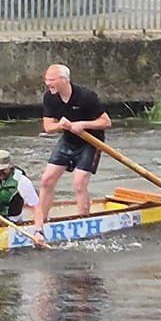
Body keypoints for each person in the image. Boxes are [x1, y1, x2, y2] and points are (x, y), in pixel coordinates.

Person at [33, 63, 111, 236]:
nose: (48, 84)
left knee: (79, 181)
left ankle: (83, 222)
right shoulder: (50, 97)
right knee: (46, 180)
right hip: (68, 141)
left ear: (64, 80)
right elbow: (47, 127)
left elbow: (106, 122)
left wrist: (82, 124)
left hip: (91, 142)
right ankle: (41, 224)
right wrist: (59, 125)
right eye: (46, 80)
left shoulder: (86, 97)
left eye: (52, 80)